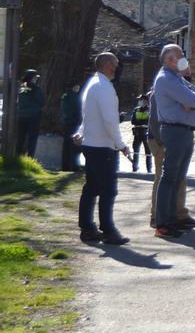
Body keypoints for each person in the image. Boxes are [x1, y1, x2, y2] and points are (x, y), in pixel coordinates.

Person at [152, 44, 195, 239]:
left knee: (177, 178)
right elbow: (193, 100)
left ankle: (172, 218)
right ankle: (163, 223)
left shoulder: (177, 78)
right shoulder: (167, 79)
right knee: (170, 178)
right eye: (181, 55)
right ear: (170, 60)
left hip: (183, 131)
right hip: (174, 131)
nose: (184, 57)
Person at [74, 53, 130, 245]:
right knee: (108, 190)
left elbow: (88, 115)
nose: (117, 67)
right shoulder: (104, 87)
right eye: (115, 64)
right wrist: (121, 144)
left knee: (91, 188)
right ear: (107, 65)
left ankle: (87, 228)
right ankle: (107, 230)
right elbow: (109, 120)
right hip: (102, 147)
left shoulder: (93, 83)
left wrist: (81, 132)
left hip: (91, 144)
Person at [146, 88, 195, 229]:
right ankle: (156, 216)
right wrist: (162, 142)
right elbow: (155, 120)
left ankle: (179, 214)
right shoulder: (160, 91)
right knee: (162, 178)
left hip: (174, 139)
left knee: (180, 178)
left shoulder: (176, 90)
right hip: (161, 140)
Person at [16, 69, 45, 157]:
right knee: (32, 139)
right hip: (33, 117)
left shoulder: (22, 87)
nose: (36, 79)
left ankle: (17, 157)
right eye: (35, 77)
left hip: (22, 116)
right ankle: (30, 158)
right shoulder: (36, 88)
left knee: (20, 138)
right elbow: (42, 102)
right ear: (32, 78)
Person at [59, 77, 84, 172]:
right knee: (75, 146)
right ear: (74, 86)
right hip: (74, 123)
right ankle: (74, 166)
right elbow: (79, 109)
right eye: (77, 85)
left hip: (66, 123)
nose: (78, 87)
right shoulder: (75, 96)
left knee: (66, 146)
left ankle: (65, 166)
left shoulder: (65, 95)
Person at [130, 94, 151, 172]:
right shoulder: (136, 109)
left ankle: (149, 169)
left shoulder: (149, 110)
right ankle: (134, 168)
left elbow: (148, 121)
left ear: (146, 101)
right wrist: (141, 122)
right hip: (137, 133)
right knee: (136, 151)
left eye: (141, 100)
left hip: (146, 133)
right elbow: (132, 121)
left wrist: (139, 122)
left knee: (148, 152)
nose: (139, 101)